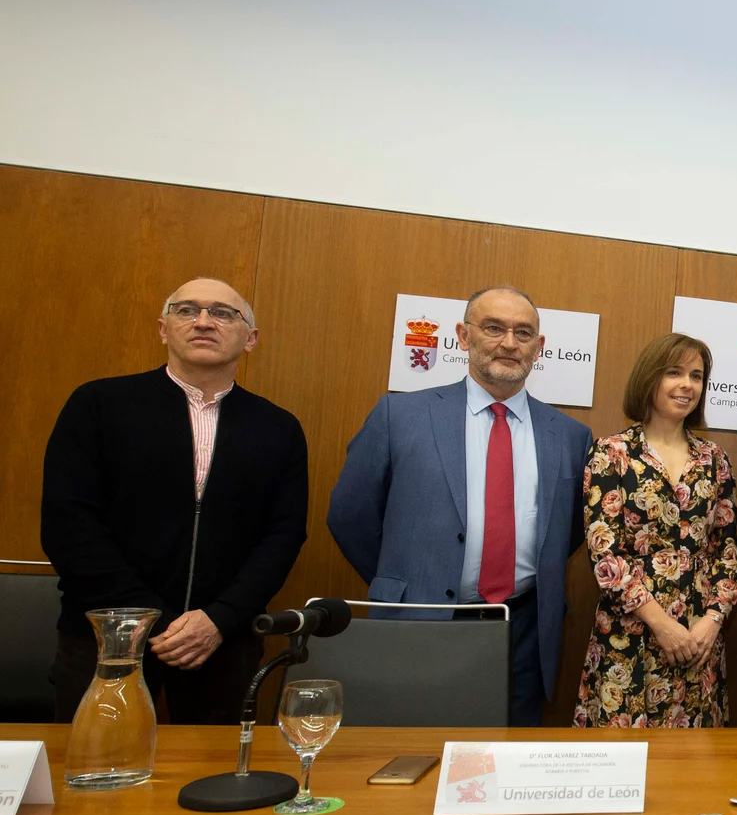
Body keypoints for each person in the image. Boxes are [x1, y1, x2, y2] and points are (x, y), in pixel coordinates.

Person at [42, 278, 307, 724]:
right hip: (109, 636)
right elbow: (69, 525)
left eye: (224, 313)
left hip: (224, 639)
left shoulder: (278, 427)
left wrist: (219, 618)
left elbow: (282, 535)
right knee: (95, 774)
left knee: (217, 780)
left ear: (251, 339)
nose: (204, 321)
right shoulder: (99, 405)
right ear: (164, 328)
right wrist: (157, 621)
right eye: (187, 310)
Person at [327, 287, 592, 726]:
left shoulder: (570, 436)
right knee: (411, 757)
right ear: (463, 337)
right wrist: (411, 576)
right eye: (493, 328)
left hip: (522, 629)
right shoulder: (400, 416)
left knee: (510, 761)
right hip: (419, 622)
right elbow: (350, 516)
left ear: (540, 348)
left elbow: (569, 532)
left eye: (523, 332)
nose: (509, 343)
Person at [577, 333, 737, 727]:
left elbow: (728, 552)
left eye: (697, 376)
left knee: (693, 771)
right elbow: (606, 554)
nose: (687, 384)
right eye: (674, 372)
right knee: (622, 769)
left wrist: (711, 623)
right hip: (630, 638)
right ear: (650, 378)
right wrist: (661, 624)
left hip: (699, 643)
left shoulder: (713, 458)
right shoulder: (612, 453)